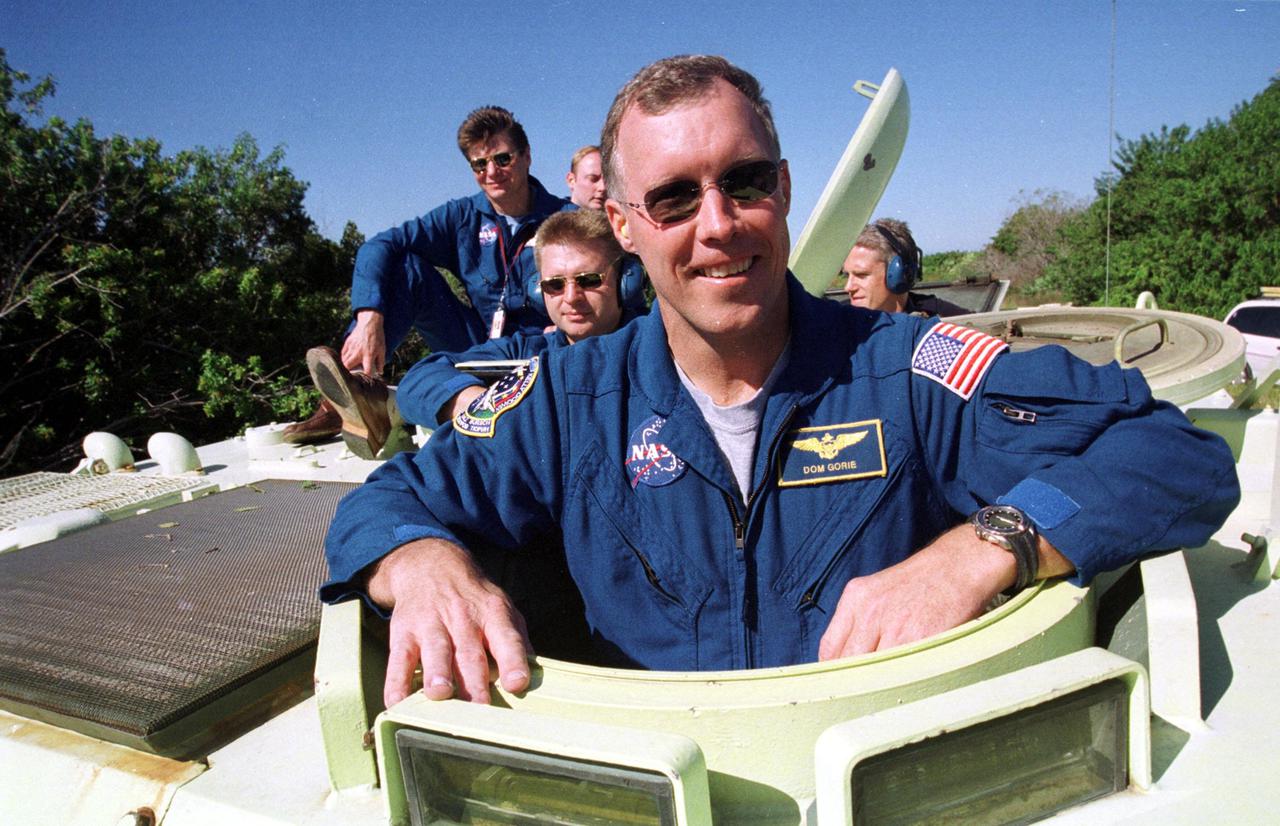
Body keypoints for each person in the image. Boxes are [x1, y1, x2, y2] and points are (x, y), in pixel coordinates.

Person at [321, 55, 1239, 707]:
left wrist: (985, 545)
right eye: (674, 197)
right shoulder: (567, 401)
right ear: (624, 227)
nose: (718, 223)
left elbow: (1173, 454)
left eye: (746, 181)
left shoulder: (905, 370)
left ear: (787, 189)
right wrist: (424, 563)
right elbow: (385, 502)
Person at [284, 106, 572, 445]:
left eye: (502, 159)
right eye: (479, 164)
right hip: (479, 347)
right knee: (408, 268)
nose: (492, 172)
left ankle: (397, 405)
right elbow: (379, 245)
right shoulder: (462, 216)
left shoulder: (566, 218)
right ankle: (353, 393)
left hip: (540, 350)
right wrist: (368, 317)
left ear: (526, 156)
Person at [309, 209, 639, 455]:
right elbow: (420, 379)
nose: (571, 297)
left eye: (589, 280)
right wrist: (490, 410)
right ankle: (370, 394)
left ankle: (380, 405)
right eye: (554, 284)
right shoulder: (529, 350)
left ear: (626, 281)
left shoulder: (654, 346)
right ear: (538, 292)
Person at [841, 219, 969, 316]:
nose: (848, 287)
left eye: (861, 275)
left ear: (900, 274)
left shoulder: (937, 313)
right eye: (847, 275)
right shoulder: (835, 320)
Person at [565, 145, 606, 210]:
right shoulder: (551, 211)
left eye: (608, 182)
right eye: (593, 179)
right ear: (571, 180)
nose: (603, 187)